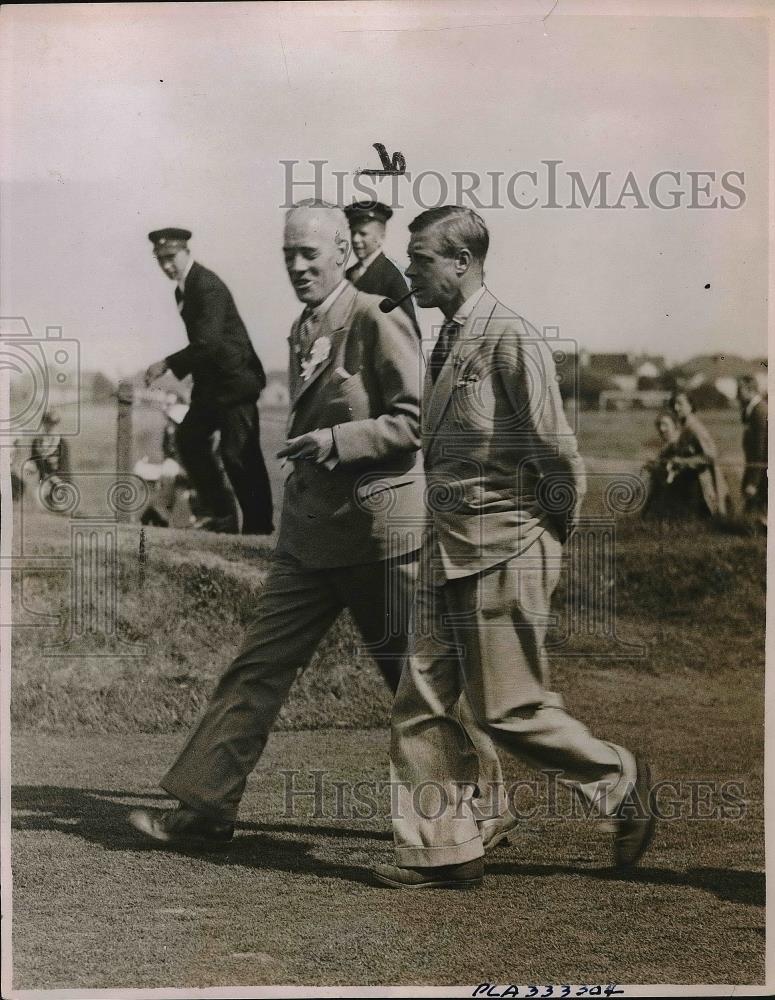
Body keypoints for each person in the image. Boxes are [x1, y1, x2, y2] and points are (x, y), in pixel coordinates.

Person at [127, 201, 504, 849]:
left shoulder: (374, 317)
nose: (297, 267)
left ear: (341, 252)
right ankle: (205, 807)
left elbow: (417, 422)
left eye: (309, 254)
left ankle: (472, 817)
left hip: (379, 537)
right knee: (256, 669)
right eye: (286, 256)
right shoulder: (305, 328)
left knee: (415, 689)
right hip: (307, 542)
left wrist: (334, 441)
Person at [373, 206, 655, 890]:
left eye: (420, 259)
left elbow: (556, 453)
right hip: (449, 550)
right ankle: (445, 849)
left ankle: (618, 780)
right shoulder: (445, 340)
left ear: (461, 262)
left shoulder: (510, 338)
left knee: (508, 709)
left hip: (506, 547)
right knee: (420, 699)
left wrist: (546, 538)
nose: (409, 271)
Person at [144, 228, 273, 535]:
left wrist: (166, 364)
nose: (166, 266)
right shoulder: (183, 290)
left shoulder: (206, 285)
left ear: (186, 251)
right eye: (160, 260)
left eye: (171, 257)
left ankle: (259, 531)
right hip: (212, 386)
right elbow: (205, 348)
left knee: (239, 455)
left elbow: (209, 343)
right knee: (188, 439)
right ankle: (223, 515)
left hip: (235, 381)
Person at [344, 201, 419, 334]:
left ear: (381, 237)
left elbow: (410, 330)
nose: (355, 239)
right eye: (353, 233)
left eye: (363, 234)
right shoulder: (348, 274)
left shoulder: (391, 276)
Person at [668, 391, 729, 520]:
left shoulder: (695, 428)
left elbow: (710, 456)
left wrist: (682, 461)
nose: (675, 408)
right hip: (689, 483)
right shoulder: (683, 427)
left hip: (701, 485)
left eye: (680, 404)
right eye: (674, 404)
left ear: (690, 406)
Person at [737, 375, 767, 531]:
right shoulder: (752, 410)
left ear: (750, 389)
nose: (737, 395)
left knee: (758, 513)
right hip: (759, 469)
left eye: (739, 389)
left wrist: (753, 482)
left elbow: (759, 451)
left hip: (762, 470)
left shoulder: (759, 412)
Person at [641, 411, 683, 520]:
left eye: (665, 424)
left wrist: (657, 467)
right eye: (659, 425)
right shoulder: (670, 444)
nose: (662, 429)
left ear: (675, 425)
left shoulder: (678, 444)